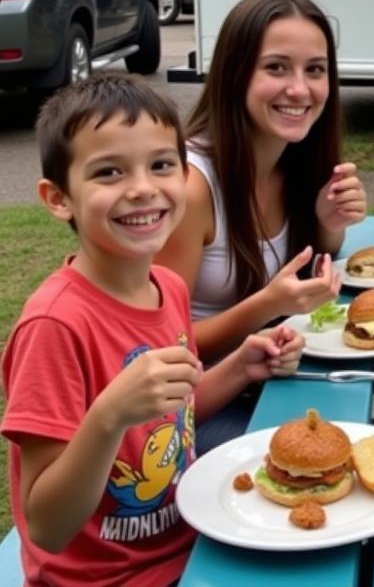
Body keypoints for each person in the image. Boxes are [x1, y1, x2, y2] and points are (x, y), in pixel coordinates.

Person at [1, 73, 304, 587]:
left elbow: (169, 417)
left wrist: (239, 367)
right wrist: (108, 416)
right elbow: (48, 527)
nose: (142, 188)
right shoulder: (54, 325)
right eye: (108, 172)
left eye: (161, 165)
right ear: (58, 199)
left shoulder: (167, 286)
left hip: (191, 544)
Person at [155, 0, 366, 450]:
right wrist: (267, 306)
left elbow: (315, 258)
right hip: (196, 412)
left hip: (271, 378)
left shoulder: (294, 158)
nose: (299, 89)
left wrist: (328, 222)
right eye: (276, 68)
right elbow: (165, 346)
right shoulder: (193, 186)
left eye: (315, 70)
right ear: (235, 75)